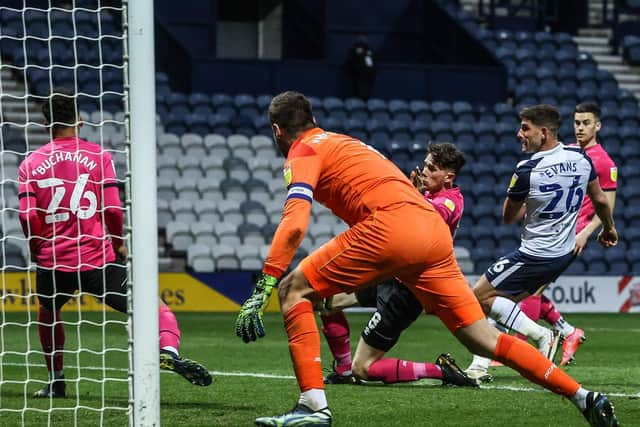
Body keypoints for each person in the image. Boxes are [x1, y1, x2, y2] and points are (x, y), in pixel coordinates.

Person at [234, 92, 619, 427]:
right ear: (314, 119)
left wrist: (265, 280)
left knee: (292, 289)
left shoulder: (303, 151)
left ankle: (312, 406)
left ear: (276, 130)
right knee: (485, 340)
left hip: (391, 229)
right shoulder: (341, 141)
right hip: (431, 233)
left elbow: (294, 223)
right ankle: (583, 396)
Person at [18, 89, 212, 398]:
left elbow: (28, 216)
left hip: (53, 262)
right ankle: (169, 352)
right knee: (156, 308)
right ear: (79, 121)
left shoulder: (30, 164)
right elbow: (111, 209)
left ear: (46, 125)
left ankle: (57, 381)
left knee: (48, 312)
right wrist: (118, 243)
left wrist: (35, 246)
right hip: (98, 260)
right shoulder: (98, 156)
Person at [464, 104, 618, 386]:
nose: (519, 134)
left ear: (543, 132)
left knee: (478, 297)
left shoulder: (527, 169)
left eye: (525, 129)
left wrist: (527, 201)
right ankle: (482, 363)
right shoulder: (581, 157)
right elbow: (599, 200)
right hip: (562, 252)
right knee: (504, 301)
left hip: (535, 253)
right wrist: (609, 228)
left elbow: (509, 217)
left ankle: (539, 336)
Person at [320, 143, 475, 387]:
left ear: (449, 176)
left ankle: (441, 370)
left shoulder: (449, 202)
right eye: (424, 164)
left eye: (431, 168)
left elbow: (423, 219)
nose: (424, 170)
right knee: (327, 302)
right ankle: (342, 370)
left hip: (407, 291)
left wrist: (410, 194)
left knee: (364, 368)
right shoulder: (426, 194)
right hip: (390, 275)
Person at [517, 102, 617, 366]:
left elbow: (606, 203)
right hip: (551, 231)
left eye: (586, 123)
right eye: (576, 123)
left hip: (573, 235)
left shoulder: (604, 162)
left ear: (598, 126)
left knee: (532, 290)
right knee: (529, 288)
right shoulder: (569, 151)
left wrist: (586, 233)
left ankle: (518, 346)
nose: (580, 128)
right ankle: (567, 331)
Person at [346, 33, 376, 100]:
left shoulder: (369, 50)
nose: (363, 39)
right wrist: (356, 71)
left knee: (366, 95)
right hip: (357, 77)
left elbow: (371, 63)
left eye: (364, 37)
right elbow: (350, 63)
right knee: (357, 94)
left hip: (368, 77)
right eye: (361, 37)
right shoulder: (353, 49)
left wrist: (371, 72)